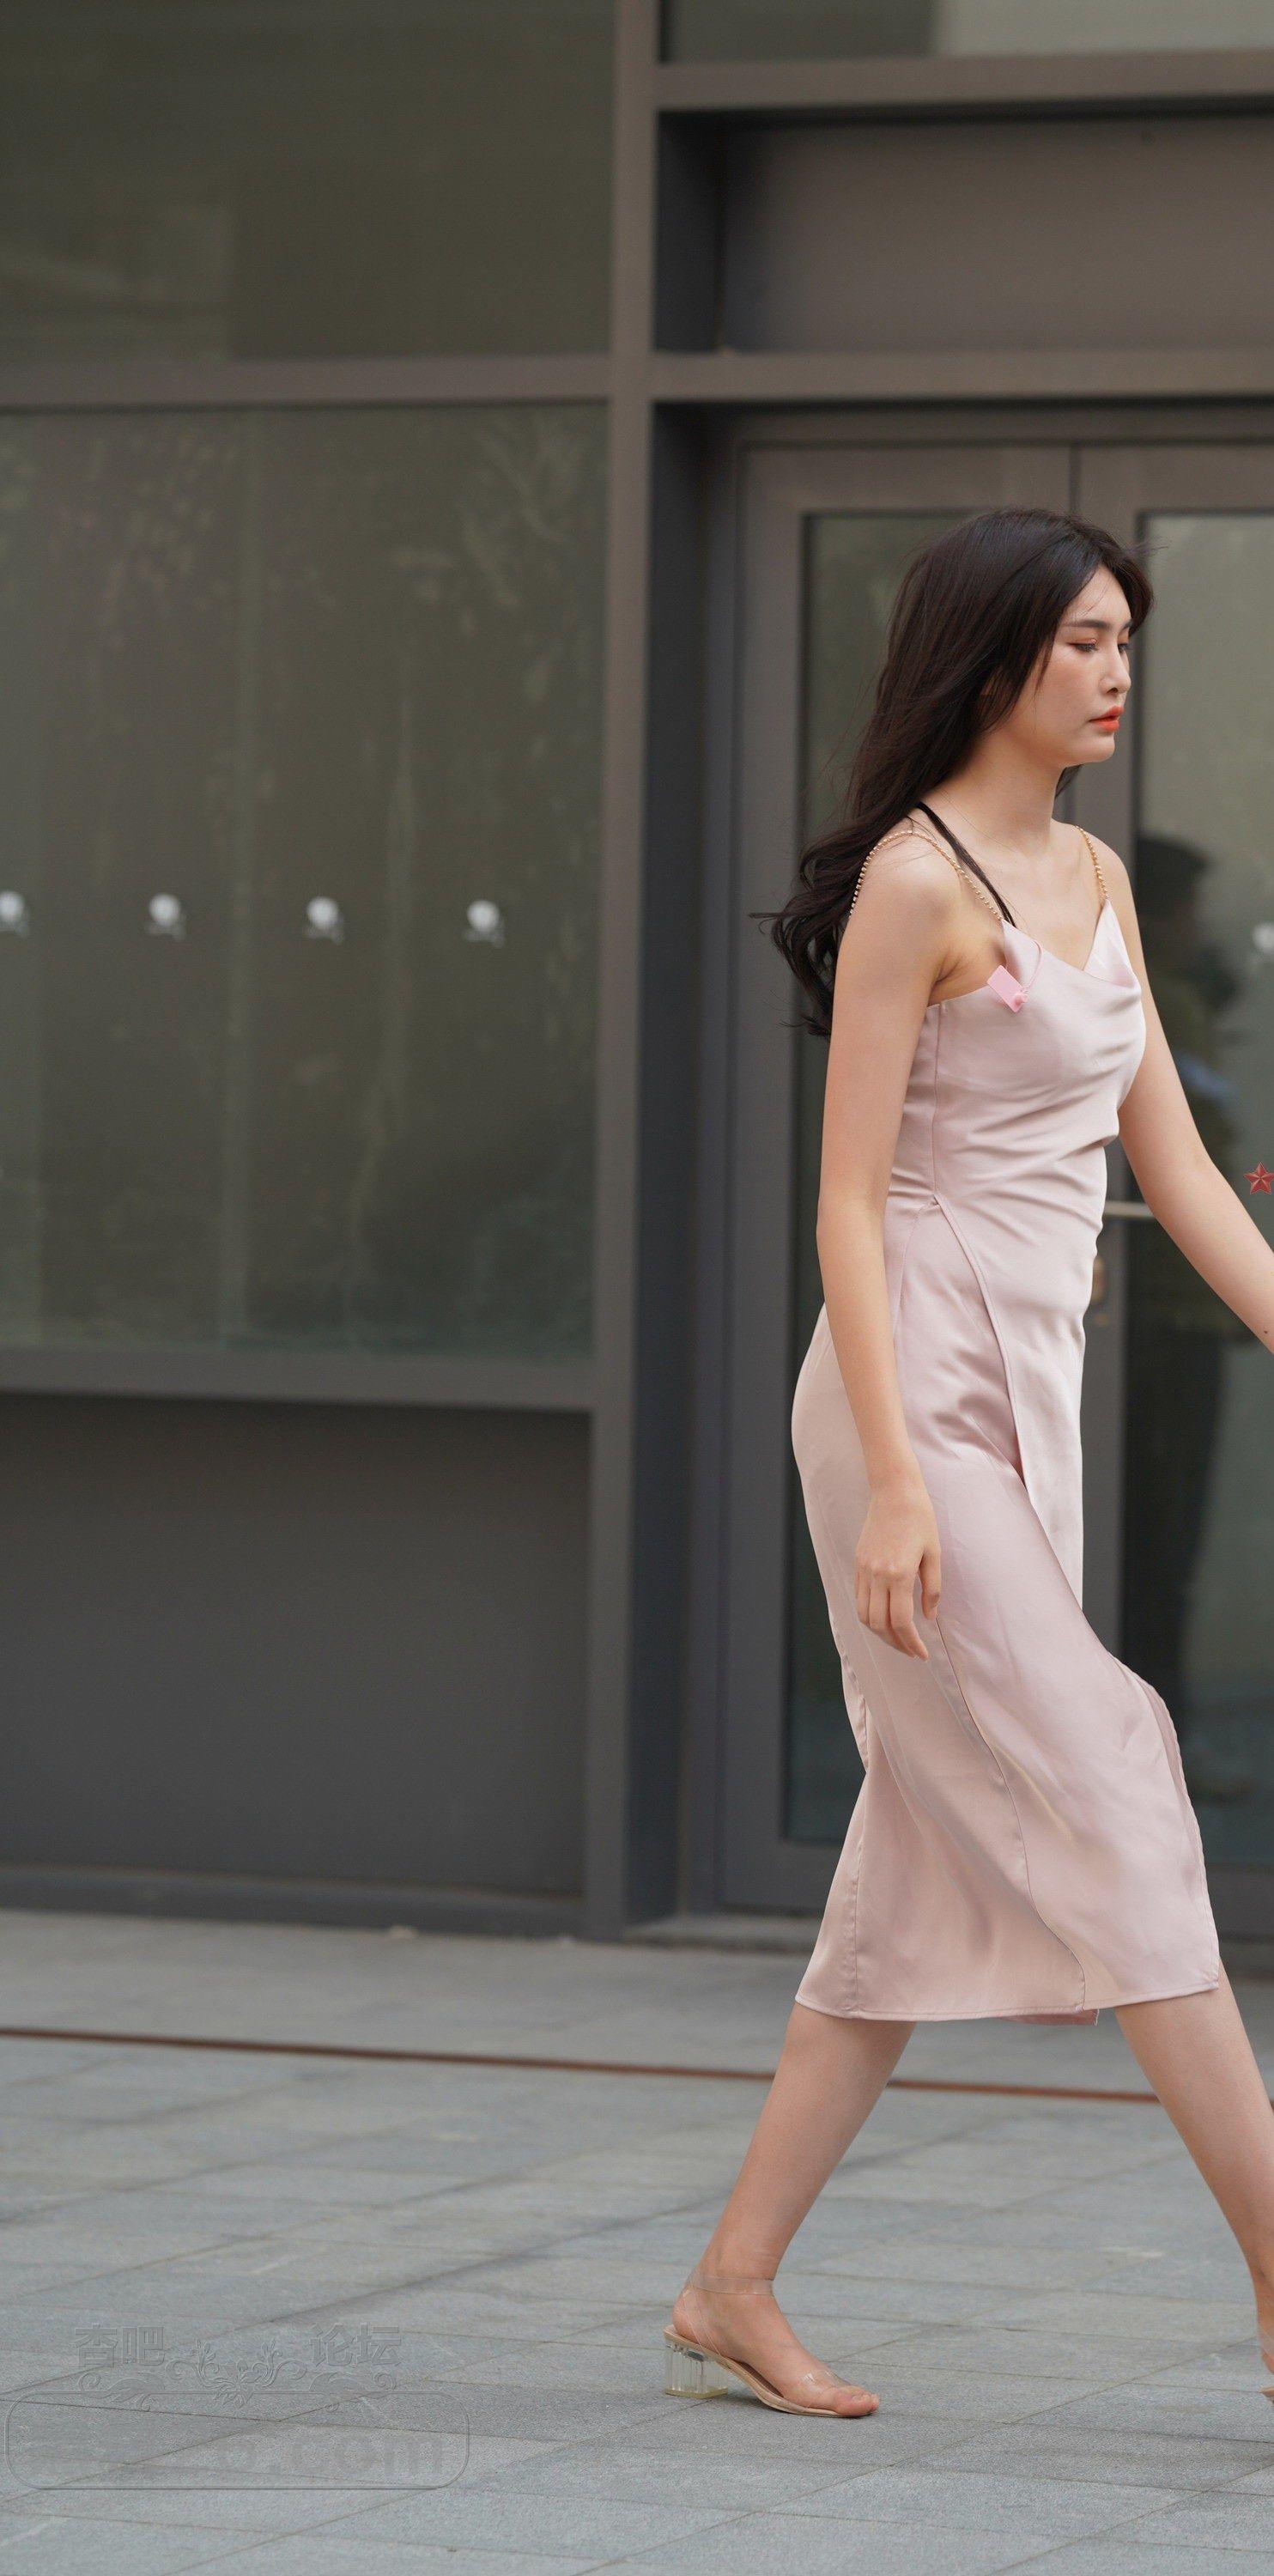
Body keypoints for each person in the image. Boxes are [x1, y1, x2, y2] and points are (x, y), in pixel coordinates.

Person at [663, 507, 1274, 2421]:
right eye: (1082, 639)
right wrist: (903, 1482)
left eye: (1124, 640)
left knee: (915, 1868)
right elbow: (845, 1206)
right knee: (1120, 1772)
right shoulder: (915, 886)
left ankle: (730, 2284)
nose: (1114, 671)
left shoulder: (1092, 875)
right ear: (992, 655)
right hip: (901, 1401)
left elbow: (1176, 1172)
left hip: (1025, 1396)